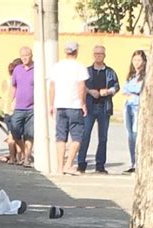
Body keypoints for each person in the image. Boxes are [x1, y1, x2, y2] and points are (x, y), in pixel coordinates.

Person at [77, 45, 120, 174]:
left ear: (104, 55)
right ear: (93, 55)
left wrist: (108, 92)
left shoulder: (110, 72)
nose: (98, 56)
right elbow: (81, 86)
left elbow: (116, 86)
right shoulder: (87, 71)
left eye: (101, 54)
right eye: (96, 53)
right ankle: (81, 163)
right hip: (89, 107)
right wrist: (90, 91)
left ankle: (100, 165)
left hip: (104, 107)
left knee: (103, 137)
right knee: (85, 136)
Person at [49, 41, 89, 175]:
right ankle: (69, 164)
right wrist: (83, 103)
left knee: (61, 137)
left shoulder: (57, 67)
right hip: (74, 105)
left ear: (66, 52)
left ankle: (60, 167)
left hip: (60, 105)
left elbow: (52, 86)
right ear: (76, 52)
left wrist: (51, 104)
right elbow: (81, 87)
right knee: (77, 137)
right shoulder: (80, 67)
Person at [122, 50, 147, 174]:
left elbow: (140, 90)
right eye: (135, 60)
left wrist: (133, 92)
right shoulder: (131, 76)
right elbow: (124, 89)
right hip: (128, 106)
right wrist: (132, 91)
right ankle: (133, 162)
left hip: (139, 107)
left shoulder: (146, 76)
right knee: (130, 135)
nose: (136, 63)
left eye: (139, 60)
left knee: (137, 134)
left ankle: (139, 162)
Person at [10, 46, 35, 167]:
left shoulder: (37, 69)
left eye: (27, 55)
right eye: (22, 56)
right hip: (18, 107)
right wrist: (10, 101)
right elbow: (13, 86)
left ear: (31, 56)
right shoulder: (17, 69)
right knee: (15, 132)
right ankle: (25, 153)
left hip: (32, 108)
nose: (24, 58)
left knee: (29, 134)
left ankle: (27, 158)